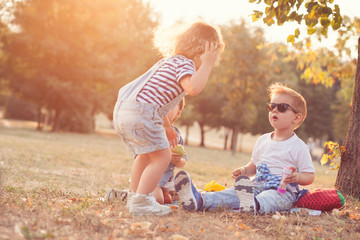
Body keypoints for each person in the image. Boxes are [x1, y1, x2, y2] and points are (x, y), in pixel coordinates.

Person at [113, 21, 224, 216]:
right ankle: (142, 201)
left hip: (125, 107)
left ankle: (134, 197)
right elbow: (193, 88)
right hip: (142, 111)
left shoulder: (167, 62)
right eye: (213, 55)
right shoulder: (185, 63)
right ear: (203, 50)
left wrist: (165, 125)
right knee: (162, 156)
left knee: (144, 155)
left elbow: (155, 97)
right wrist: (206, 65)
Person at [174, 83, 315, 214]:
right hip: (256, 186)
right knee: (232, 193)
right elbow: (254, 165)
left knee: (270, 197)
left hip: (282, 191)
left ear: (296, 118)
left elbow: (309, 176)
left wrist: (297, 177)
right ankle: (200, 199)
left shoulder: (299, 146)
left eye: (282, 107)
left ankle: (253, 205)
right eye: (271, 106)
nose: (275, 110)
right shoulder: (262, 140)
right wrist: (244, 171)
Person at [153, 98, 188, 204]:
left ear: (178, 113)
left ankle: (166, 193)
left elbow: (184, 160)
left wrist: (178, 160)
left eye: (171, 105)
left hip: (167, 182)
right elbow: (141, 156)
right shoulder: (152, 130)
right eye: (164, 104)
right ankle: (130, 194)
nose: (166, 108)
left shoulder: (176, 134)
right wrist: (166, 155)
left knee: (185, 195)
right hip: (152, 179)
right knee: (158, 199)